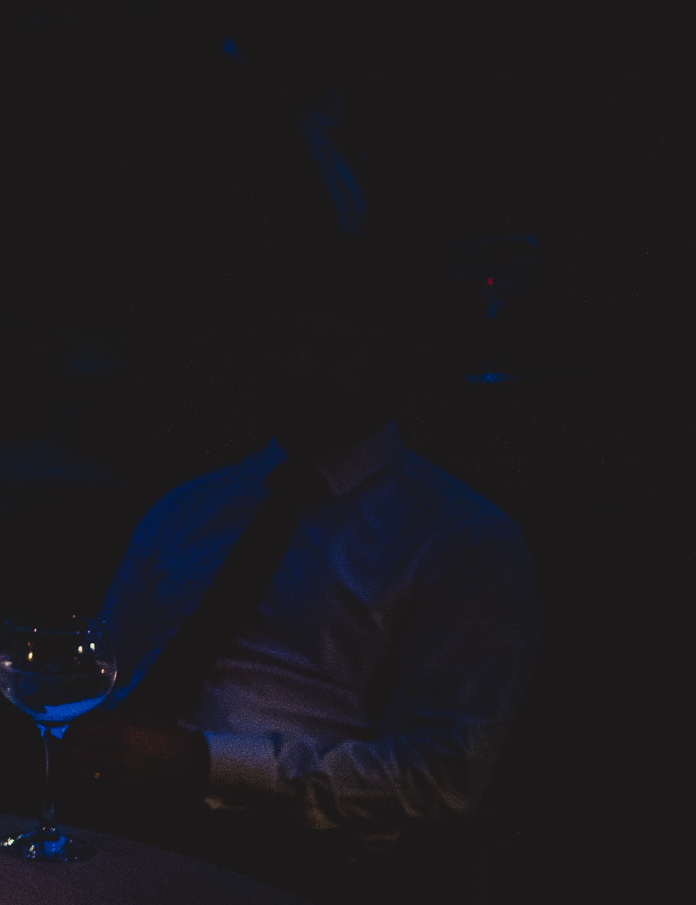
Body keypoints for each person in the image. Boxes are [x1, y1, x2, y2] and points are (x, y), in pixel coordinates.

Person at [59, 260, 537, 856]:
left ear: (393, 361)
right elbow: (105, 672)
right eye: (283, 344)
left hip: (288, 846)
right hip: (110, 809)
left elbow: (442, 777)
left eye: (331, 348)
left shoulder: (463, 540)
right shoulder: (190, 506)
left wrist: (204, 763)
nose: (296, 368)